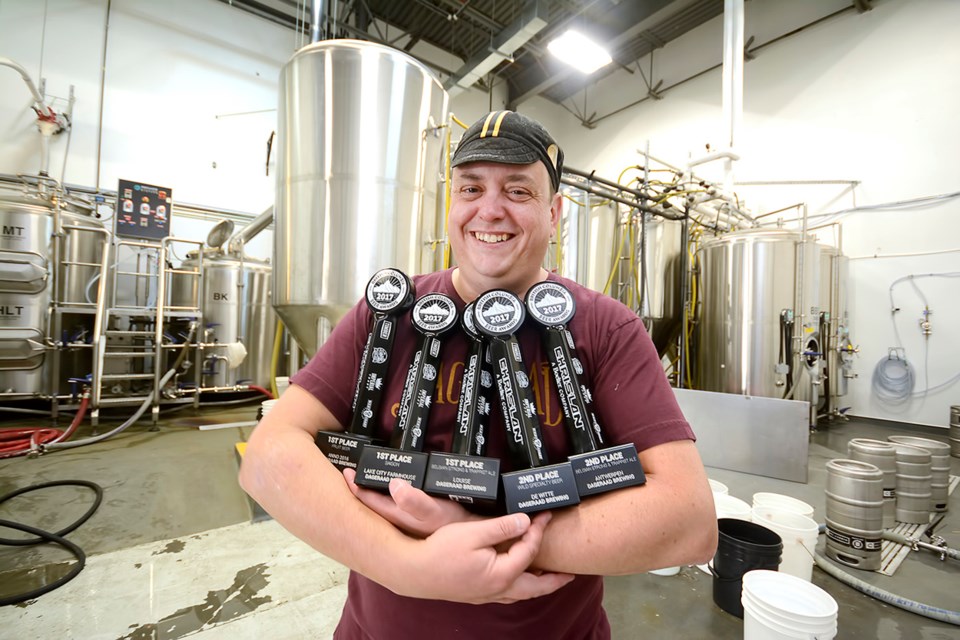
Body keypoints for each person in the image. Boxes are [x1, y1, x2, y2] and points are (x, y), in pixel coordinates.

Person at [239, 110, 717, 639]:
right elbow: (268, 457)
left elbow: (689, 520)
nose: (490, 211)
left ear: (555, 212)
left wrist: (479, 533)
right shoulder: (389, 313)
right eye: (471, 188)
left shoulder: (606, 328)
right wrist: (406, 566)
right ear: (452, 203)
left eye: (518, 191)